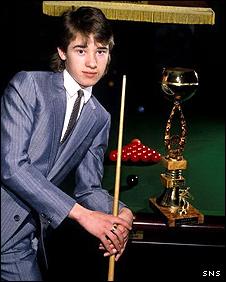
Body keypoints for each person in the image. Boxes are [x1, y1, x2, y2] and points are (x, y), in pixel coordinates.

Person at [1, 6, 134, 281]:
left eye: (100, 51)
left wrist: (120, 211)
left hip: (20, 244)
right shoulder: (29, 86)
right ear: (63, 52)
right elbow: (12, 166)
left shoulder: (100, 118)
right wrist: (83, 216)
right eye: (81, 50)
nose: (92, 63)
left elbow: (89, 189)